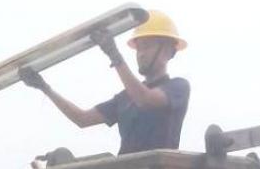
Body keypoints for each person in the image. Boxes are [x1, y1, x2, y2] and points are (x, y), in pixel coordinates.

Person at [20, 12, 190, 155]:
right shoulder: (126, 98)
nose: (141, 54)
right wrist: (45, 88)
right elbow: (82, 118)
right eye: (139, 48)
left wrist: (114, 55)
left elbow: (145, 99)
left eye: (147, 46)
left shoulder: (178, 87)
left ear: (168, 50)